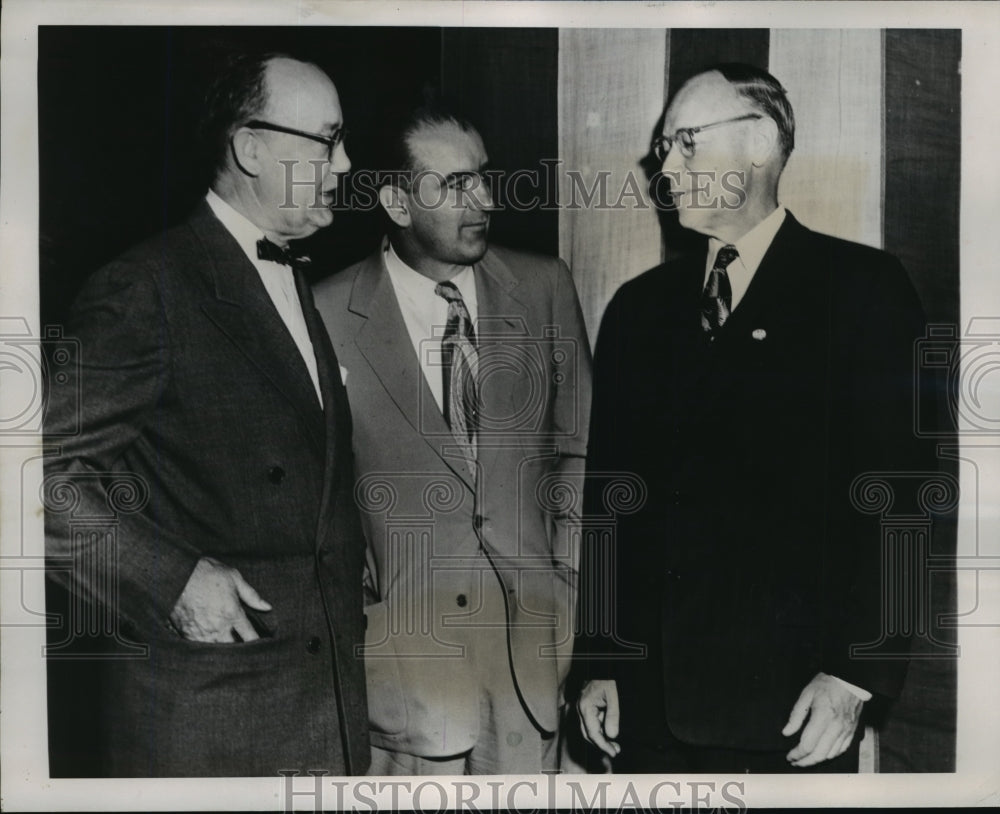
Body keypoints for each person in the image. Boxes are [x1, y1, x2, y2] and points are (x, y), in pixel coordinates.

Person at [575, 63, 931, 773]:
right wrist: (600, 658)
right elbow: (611, 500)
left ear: (761, 143)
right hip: (650, 715)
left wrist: (856, 676)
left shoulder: (862, 292)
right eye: (662, 149)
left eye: (685, 143)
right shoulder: (637, 310)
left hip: (792, 711)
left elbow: (901, 500)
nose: (665, 169)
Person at [43, 52, 370, 777]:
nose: (346, 164)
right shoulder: (145, 287)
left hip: (320, 708)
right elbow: (35, 480)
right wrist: (173, 579)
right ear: (251, 147)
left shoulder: (290, 277)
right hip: (214, 720)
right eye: (328, 139)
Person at [313, 107, 591, 774]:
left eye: (486, 179)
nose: (487, 201)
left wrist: (571, 582)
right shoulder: (322, 311)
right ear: (396, 201)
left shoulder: (544, 286)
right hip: (406, 678)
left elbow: (579, 451)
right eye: (458, 184)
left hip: (531, 663)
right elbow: (314, 498)